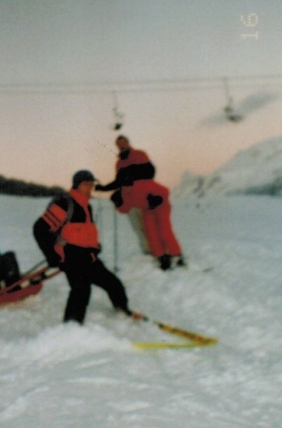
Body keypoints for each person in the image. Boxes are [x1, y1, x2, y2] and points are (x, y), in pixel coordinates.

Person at [33, 170, 134, 324]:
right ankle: (72, 327)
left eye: (91, 184)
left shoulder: (87, 207)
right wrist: (52, 256)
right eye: (86, 184)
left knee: (113, 283)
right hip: (70, 257)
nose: (90, 187)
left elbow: (84, 233)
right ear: (77, 185)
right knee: (81, 289)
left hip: (88, 257)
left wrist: (94, 247)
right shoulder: (65, 204)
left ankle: (123, 310)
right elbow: (40, 229)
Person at [96, 136, 185, 270]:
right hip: (145, 206)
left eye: (123, 143)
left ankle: (176, 254)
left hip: (156, 201)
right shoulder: (120, 167)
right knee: (149, 231)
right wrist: (111, 196)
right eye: (119, 144)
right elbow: (122, 198)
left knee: (164, 230)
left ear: (128, 143)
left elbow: (157, 182)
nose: (122, 146)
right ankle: (160, 256)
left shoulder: (140, 156)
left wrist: (157, 199)